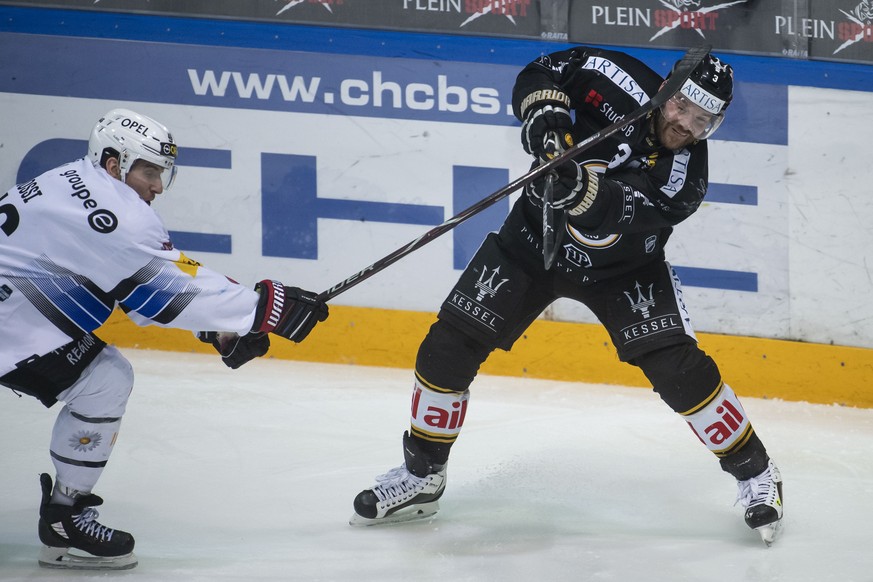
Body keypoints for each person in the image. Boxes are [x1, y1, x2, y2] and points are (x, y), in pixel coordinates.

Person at [350, 46, 784, 544]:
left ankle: (756, 475)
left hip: (624, 269)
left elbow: (616, 211)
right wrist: (544, 114)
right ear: (666, 90)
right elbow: (543, 71)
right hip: (532, 241)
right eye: (682, 107)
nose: (685, 124)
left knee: (680, 373)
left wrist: (580, 188)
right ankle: (423, 476)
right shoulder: (613, 76)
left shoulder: (685, 180)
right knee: (446, 348)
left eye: (702, 120)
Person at [0, 109, 329, 570]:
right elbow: (161, 288)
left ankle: (63, 516)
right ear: (115, 163)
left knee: (105, 375)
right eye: (149, 171)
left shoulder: (72, 178)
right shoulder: (115, 214)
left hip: (13, 319)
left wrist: (219, 324)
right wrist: (263, 310)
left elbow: (141, 283)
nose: (157, 186)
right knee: (105, 380)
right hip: (10, 329)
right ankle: (63, 519)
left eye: (161, 173)